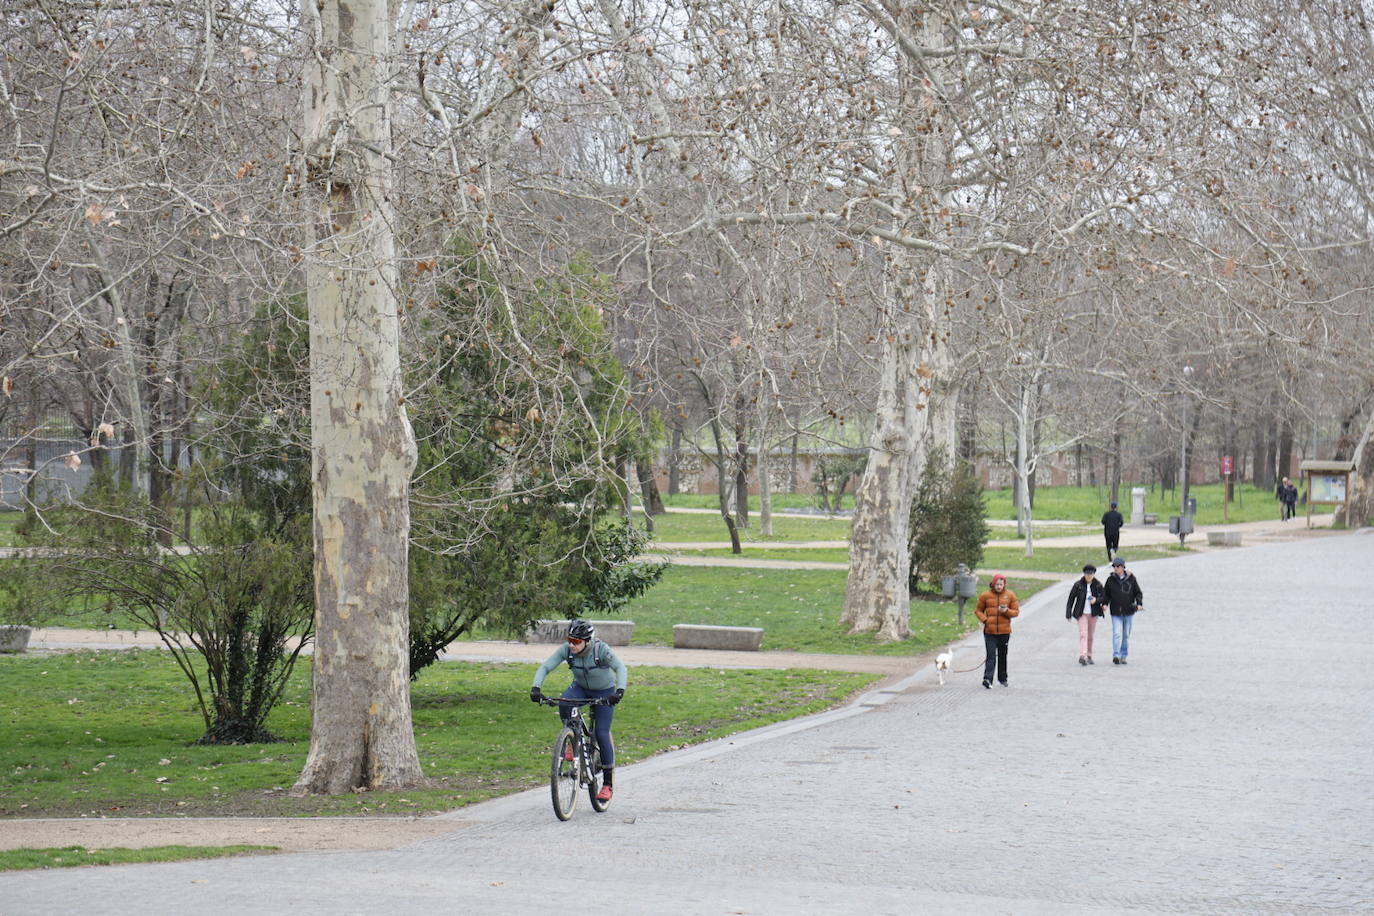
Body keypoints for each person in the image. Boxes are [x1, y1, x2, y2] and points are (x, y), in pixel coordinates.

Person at [530, 620, 628, 802]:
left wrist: (619, 692)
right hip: (581, 688)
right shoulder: (567, 651)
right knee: (565, 703)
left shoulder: (601, 650)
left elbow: (620, 668)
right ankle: (571, 739)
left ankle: (607, 784)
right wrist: (536, 688)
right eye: (570, 640)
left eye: (576, 642)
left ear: (587, 641)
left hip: (604, 691)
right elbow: (546, 667)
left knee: (601, 732)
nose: (571, 645)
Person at [974, 573, 1020, 688]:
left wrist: (1006, 611)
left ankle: (1002, 678)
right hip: (990, 631)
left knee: (1002, 655)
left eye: (1001, 584)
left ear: (1004, 584)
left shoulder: (1010, 595)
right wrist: (985, 620)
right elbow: (978, 611)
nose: (999, 586)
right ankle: (987, 679)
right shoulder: (985, 595)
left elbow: (1016, 612)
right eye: (997, 584)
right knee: (991, 655)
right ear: (993, 584)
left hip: (1004, 632)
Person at [1103, 556, 1143, 664]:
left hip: (1128, 611)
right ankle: (1116, 654)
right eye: (1114, 566)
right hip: (1115, 611)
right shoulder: (1110, 580)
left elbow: (1138, 592)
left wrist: (1139, 603)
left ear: (1123, 567)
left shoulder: (1131, 579)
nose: (1115, 568)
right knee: (1117, 633)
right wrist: (1105, 604)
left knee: (1125, 635)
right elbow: (1106, 594)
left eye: (1118, 566)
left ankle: (1123, 654)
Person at [1065, 564, 1106, 666]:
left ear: (1094, 574)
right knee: (1083, 634)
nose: (1089, 576)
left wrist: (1096, 600)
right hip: (1081, 613)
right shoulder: (1078, 585)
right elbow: (1071, 599)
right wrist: (1068, 613)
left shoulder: (1098, 585)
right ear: (1084, 574)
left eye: (1091, 574)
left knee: (1090, 636)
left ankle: (1089, 655)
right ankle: (1083, 655)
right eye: (1087, 574)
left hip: (1093, 613)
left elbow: (1104, 598)